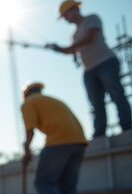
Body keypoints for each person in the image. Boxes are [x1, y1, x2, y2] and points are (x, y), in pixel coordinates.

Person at [47, 0, 131, 138]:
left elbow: (90, 37)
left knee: (117, 95)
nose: (65, 20)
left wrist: (67, 48)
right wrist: (59, 49)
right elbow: (73, 51)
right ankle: (99, 133)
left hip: (106, 62)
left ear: (74, 10)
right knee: (96, 103)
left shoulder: (92, 19)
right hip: (89, 70)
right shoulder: (74, 35)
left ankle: (127, 127)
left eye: (65, 16)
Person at [21, 82, 88, 194]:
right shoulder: (53, 100)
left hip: (59, 141)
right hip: (79, 141)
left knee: (44, 182)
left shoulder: (28, 103)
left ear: (26, 95)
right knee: (67, 187)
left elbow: (30, 130)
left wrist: (27, 150)